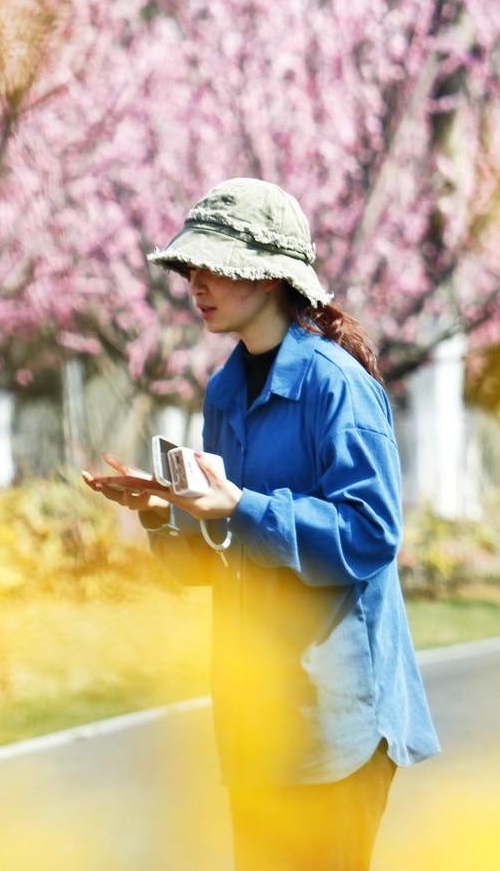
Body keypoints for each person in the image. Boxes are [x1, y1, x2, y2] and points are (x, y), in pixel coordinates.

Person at [83, 177, 440, 869]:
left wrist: (242, 506)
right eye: (191, 267)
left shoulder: (337, 386)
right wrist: (161, 513)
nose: (196, 282)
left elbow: (371, 534)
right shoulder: (225, 389)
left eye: (212, 265)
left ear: (270, 277)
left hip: (337, 724)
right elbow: (219, 554)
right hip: (258, 723)